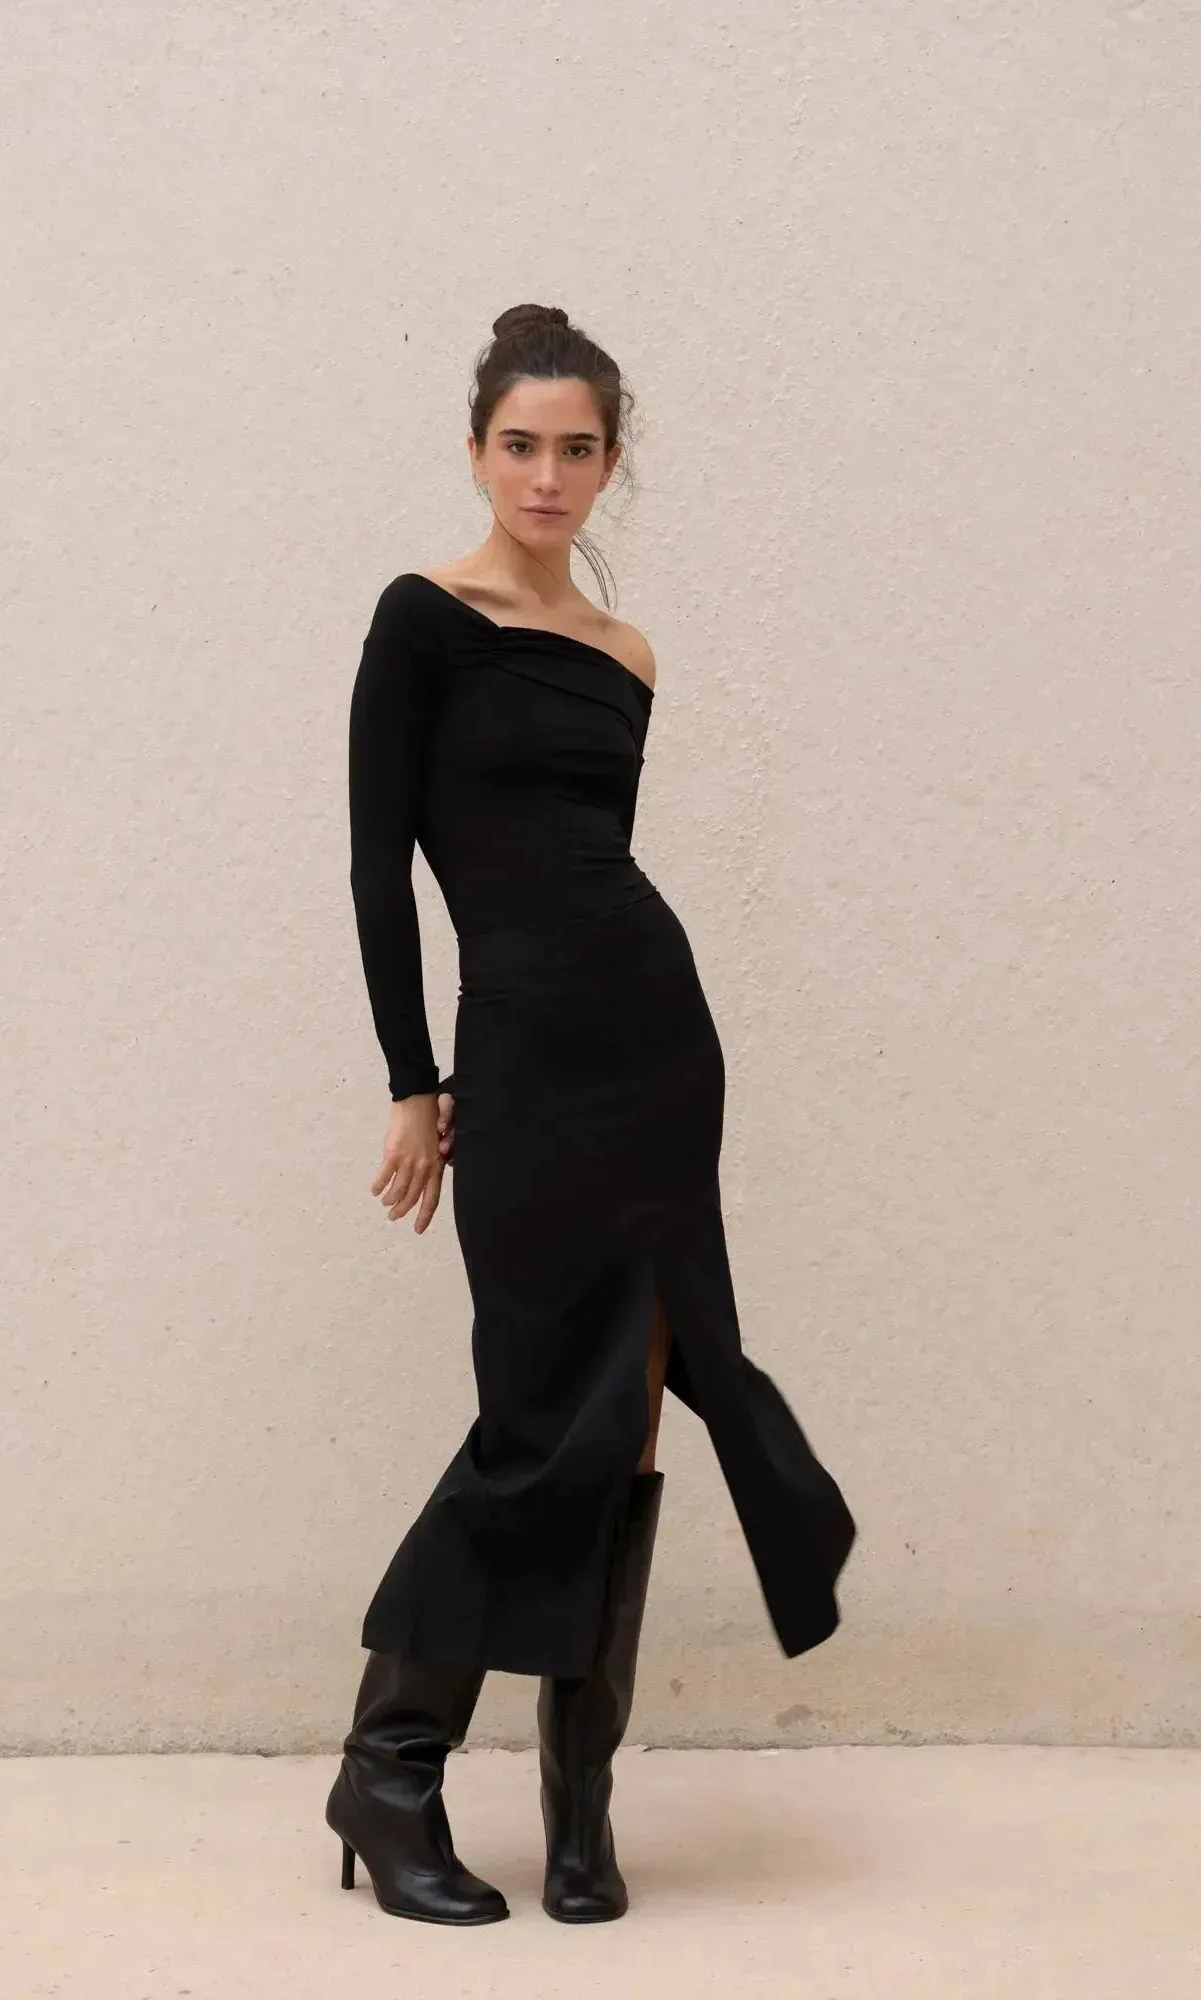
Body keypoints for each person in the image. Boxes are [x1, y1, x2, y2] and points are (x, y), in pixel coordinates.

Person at [327, 303, 856, 1926]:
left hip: (655, 1048)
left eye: (576, 449)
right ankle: (389, 1769)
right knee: (538, 1413)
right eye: (520, 446)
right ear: (475, 451)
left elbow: (587, 865)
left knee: (623, 1411)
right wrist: (415, 1080)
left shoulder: (628, 656)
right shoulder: (422, 620)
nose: (546, 475)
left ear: (610, 463)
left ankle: (580, 1816)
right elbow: (379, 869)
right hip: (525, 1058)